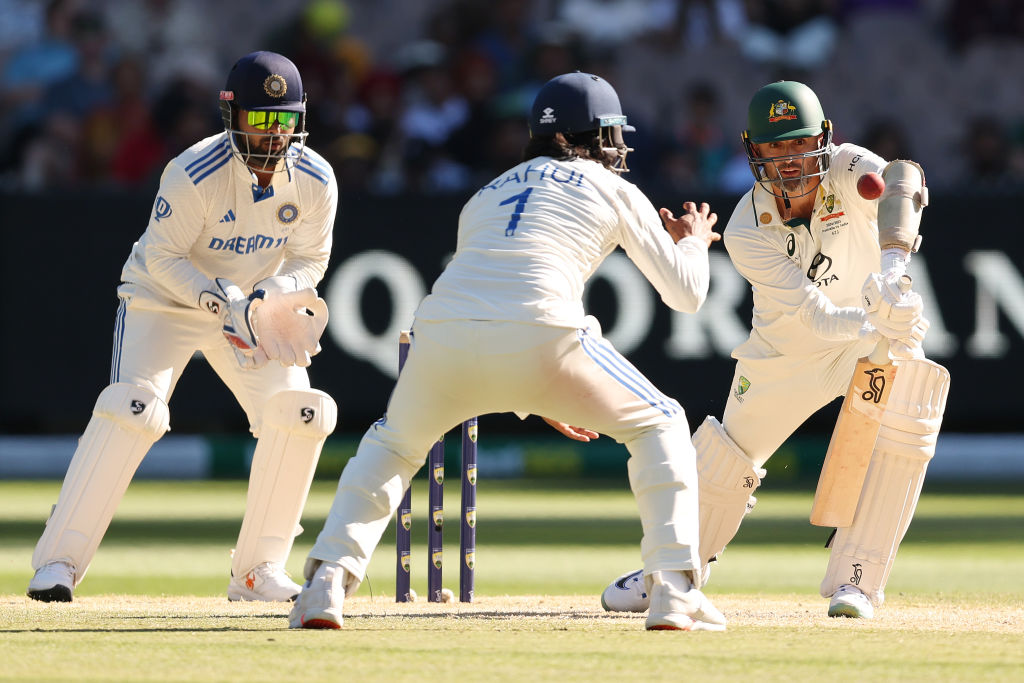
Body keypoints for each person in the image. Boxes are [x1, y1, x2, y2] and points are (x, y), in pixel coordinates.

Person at [289, 71, 725, 632]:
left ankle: (326, 582)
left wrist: (537, 388)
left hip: (441, 332)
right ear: (595, 136)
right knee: (663, 422)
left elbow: (493, 302)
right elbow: (686, 295)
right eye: (613, 134)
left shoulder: (484, 194)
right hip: (544, 334)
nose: (619, 147)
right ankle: (673, 591)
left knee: (393, 446)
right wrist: (691, 240)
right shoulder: (612, 186)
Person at [600, 80, 950, 619]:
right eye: (775, 147)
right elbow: (815, 316)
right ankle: (671, 573)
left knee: (912, 409)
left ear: (824, 140)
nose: (788, 158)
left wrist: (892, 277)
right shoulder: (745, 228)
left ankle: (856, 580)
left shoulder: (850, 167)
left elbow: (904, 179)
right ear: (753, 150)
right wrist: (872, 316)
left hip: (879, 328)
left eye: (798, 143)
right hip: (790, 351)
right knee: (725, 458)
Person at [27, 51, 339, 603]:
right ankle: (58, 562)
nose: (273, 136)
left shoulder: (315, 178)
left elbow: (310, 259)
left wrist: (271, 296)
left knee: (302, 412)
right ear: (231, 114)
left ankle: (257, 571)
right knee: (134, 408)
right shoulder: (194, 172)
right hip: (165, 300)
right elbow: (164, 258)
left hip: (252, 308)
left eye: (284, 122)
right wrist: (226, 303)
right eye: (260, 121)